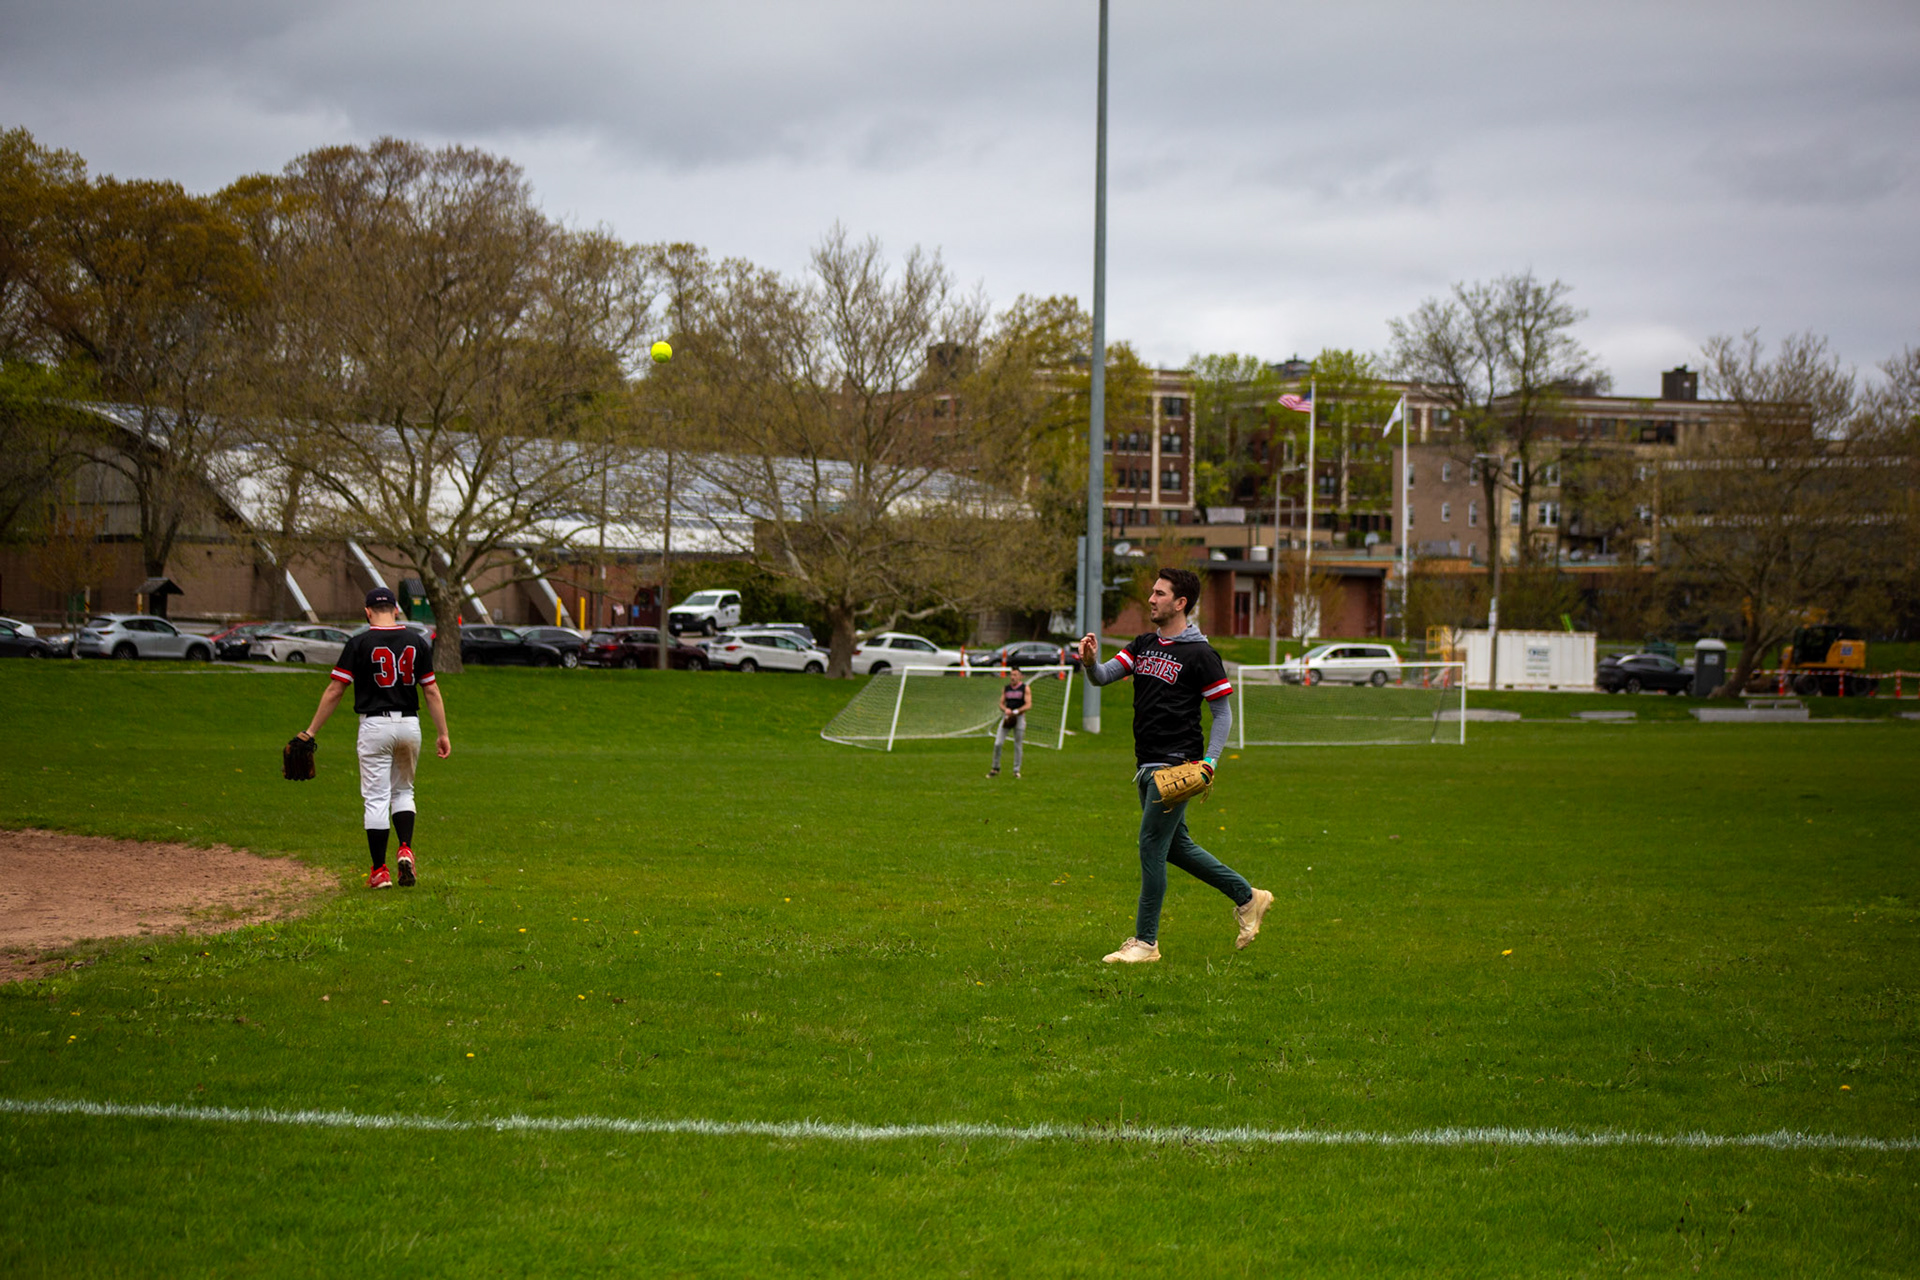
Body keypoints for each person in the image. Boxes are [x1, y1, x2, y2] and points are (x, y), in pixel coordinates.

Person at [1077, 566, 1273, 963]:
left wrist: (1210, 762)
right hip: (1146, 764)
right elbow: (1103, 677)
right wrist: (1091, 662)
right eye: (1152, 592)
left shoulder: (1201, 654)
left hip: (1176, 767)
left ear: (1180, 603)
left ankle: (1146, 942)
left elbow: (1222, 714)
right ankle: (1247, 897)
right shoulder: (1143, 644)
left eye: (1160, 593)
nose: (1151, 599)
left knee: (1151, 845)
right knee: (1176, 848)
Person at [295, 586, 451, 888]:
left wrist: (311, 731)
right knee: (403, 791)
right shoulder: (417, 641)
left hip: (375, 725)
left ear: (367, 612)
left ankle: (380, 871)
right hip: (409, 723)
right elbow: (431, 690)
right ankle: (405, 848)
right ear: (396, 610)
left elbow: (336, 689)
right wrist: (442, 733)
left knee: (376, 798)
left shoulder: (359, 643)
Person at [988, 666, 1033, 778]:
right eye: (1011, 675)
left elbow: (1028, 704)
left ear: (1020, 676)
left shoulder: (1025, 688)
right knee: (998, 743)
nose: (1013, 677)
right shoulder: (1006, 688)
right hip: (1007, 717)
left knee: (1018, 744)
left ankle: (1016, 770)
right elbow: (1001, 704)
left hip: (1019, 718)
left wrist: (1017, 711)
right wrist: (1005, 709)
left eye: (1015, 675)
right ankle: (995, 768)